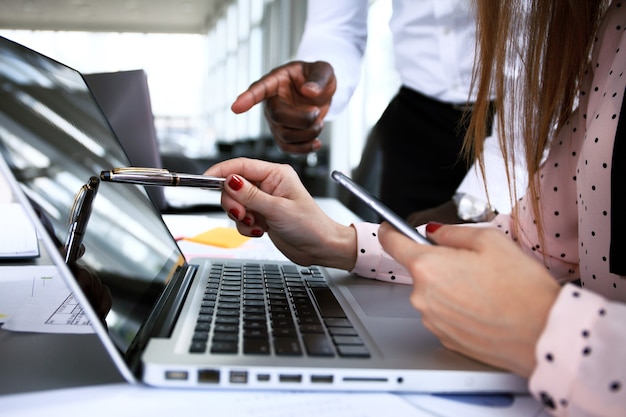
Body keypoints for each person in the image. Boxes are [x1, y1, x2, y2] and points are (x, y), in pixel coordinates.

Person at [208, 1, 626, 415]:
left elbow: (531, 63)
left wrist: (548, 334)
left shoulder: (574, 38)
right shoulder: (614, 31)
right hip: (417, 114)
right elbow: (537, 245)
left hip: (512, 118)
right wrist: (336, 241)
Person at [231, 0, 492, 220]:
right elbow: (336, 25)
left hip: (519, 126)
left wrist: (478, 202)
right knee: (398, 268)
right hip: (417, 123)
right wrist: (315, 87)